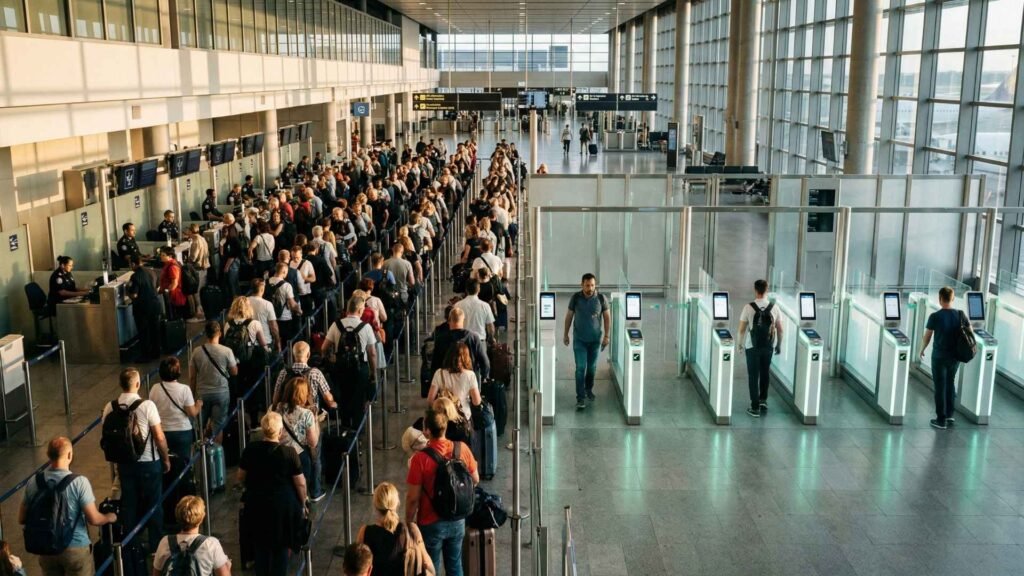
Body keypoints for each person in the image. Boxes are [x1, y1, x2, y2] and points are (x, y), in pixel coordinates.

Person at [18, 437, 117, 576]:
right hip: (75, 547)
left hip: (46, 548)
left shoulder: (33, 482)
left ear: (48, 455)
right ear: (70, 455)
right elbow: (94, 519)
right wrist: (109, 517)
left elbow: (22, 518)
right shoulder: (79, 483)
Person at [101, 369, 171, 552]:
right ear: (138, 384)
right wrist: (165, 459)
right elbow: (159, 437)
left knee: (129, 504)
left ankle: (131, 546)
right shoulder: (147, 406)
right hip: (149, 462)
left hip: (124, 464)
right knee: (154, 504)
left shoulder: (110, 406)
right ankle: (156, 545)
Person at [406, 409, 479, 576]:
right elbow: (475, 479)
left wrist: (409, 522)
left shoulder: (420, 459)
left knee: (431, 568)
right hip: (457, 518)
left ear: (427, 431)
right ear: (445, 427)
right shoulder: (461, 449)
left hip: (430, 522)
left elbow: (413, 498)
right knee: (455, 565)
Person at [238, 412, 306, 576]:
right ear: (281, 431)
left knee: (260, 546)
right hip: (282, 507)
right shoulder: (289, 453)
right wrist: (303, 502)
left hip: (256, 503)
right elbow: (300, 482)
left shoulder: (251, 449)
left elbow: (240, 477)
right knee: (281, 547)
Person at [919, 286, 971, 429]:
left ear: (940, 299)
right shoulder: (961, 315)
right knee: (950, 383)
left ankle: (941, 419)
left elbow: (927, 337)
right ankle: (949, 415)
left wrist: (921, 349)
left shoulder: (935, 316)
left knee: (940, 386)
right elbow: (970, 333)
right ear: (953, 299)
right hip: (955, 357)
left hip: (939, 357)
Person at [322, 296, 378, 425]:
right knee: (359, 401)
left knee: (343, 400)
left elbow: (324, 348)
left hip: (341, 367)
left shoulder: (336, 325)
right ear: (359, 310)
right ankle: (358, 431)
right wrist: (373, 372)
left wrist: (330, 359)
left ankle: (345, 429)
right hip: (360, 368)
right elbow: (372, 353)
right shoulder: (366, 327)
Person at [356, 482, 433, 576]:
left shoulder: (364, 532)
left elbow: (357, 568)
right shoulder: (411, 530)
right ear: (397, 504)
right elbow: (428, 564)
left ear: (375, 505)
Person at [562, 273, 610, 410]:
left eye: (593, 285)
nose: (590, 288)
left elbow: (607, 317)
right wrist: (565, 334)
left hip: (595, 341)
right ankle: (580, 397)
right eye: (587, 285)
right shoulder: (576, 298)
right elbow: (569, 316)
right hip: (580, 341)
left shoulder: (601, 298)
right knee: (580, 368)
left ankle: (588, 389)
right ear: (582, 284)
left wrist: (607, 336)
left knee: (592, 369)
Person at [736, 279, 783, 418]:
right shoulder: (774, 308)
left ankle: (754, 407)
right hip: (768, 347)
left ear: (755, 290)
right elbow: (780, 330)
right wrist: (778, 345)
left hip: (752, 347)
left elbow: (741, 330)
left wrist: (739, 345)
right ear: (766, 290)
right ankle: (763, 400)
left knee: (753, 375)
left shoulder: (748, 307)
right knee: (765, 373)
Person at [153, 496, 230, 576]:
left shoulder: (165, 542)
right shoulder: (211, 544)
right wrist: (228, 567)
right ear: (201, 518)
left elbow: (156, 574)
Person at [189, 321, 239, 443]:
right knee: (218, 427)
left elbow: (192, 377)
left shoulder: (196, 352)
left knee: (200, 426)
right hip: (221, 393)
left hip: (202, 394)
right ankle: (216, 455)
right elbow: (234, 372)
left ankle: (202, 453)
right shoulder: (227, 351)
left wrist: (192, 394)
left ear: (206, 334)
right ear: (220, 333)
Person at [272, 377, 320, 502]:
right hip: (300, 455)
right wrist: (316, 420)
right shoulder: (307, 414)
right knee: (301, 488)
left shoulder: (278, 408)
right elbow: (313, 442)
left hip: (281, 453)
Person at [148, 357, 201, 462]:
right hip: (182, 431)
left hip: (162, 431)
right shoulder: (184, 389)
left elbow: (152, 409)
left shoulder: (155, 388)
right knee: (183, 463)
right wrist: (198, 405)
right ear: (178, 372)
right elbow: (192, 413)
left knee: (165, 461)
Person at [427, 342, 482, 423]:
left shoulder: (439, 373)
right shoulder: (470, 375)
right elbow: (476, 402)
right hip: (463, 418)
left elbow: (430, 400)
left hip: (443, 418)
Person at [430, 308, 489, 381]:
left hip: (448, 383)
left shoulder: (441, 339)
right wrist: (484, 377)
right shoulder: (473, 338)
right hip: (470, 382)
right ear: (463, 320)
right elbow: (485, 363)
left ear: (449, 321)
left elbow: (435, 364)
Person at [126, 254, 161, 361]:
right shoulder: (152, 271)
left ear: (133, 264)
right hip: (155, 304)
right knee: (155, 329)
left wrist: (128, 292)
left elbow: (134, 295)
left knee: (144, 332)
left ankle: (146, 355)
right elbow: (158, 287)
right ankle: (156, 352)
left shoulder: (135, 276)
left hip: (143, 308)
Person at [267, 263, 301, 343]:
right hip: (284, 317)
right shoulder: (286, 286)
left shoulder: (266, 282)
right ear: (284, 271)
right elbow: (292, 304)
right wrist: (299, 310)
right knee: (286, 341)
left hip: (270, 317)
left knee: (274, 340)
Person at [248, 278, 281, 354]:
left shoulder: (244, 301)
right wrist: (278, 343)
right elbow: (274, 327)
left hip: (249, 342)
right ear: (262, 289)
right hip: (265, 341)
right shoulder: (267, 304)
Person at [186, 224, 211, 321]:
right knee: (201, 291)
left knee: (196, 292)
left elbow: (193, 258)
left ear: (190, 231)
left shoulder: (195, 242)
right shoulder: (202, 239)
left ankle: (200, 315)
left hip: (198, 269)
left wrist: (186, 262)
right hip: (204, 268)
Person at [158, 246, 189, 320]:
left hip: (175, 296)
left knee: (176, 317)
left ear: (170, 256)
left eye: (163, 255)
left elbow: (174, 283)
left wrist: (167, 292)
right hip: (173, 295)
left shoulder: (172, 267)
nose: (161, 257)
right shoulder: (169, 264)